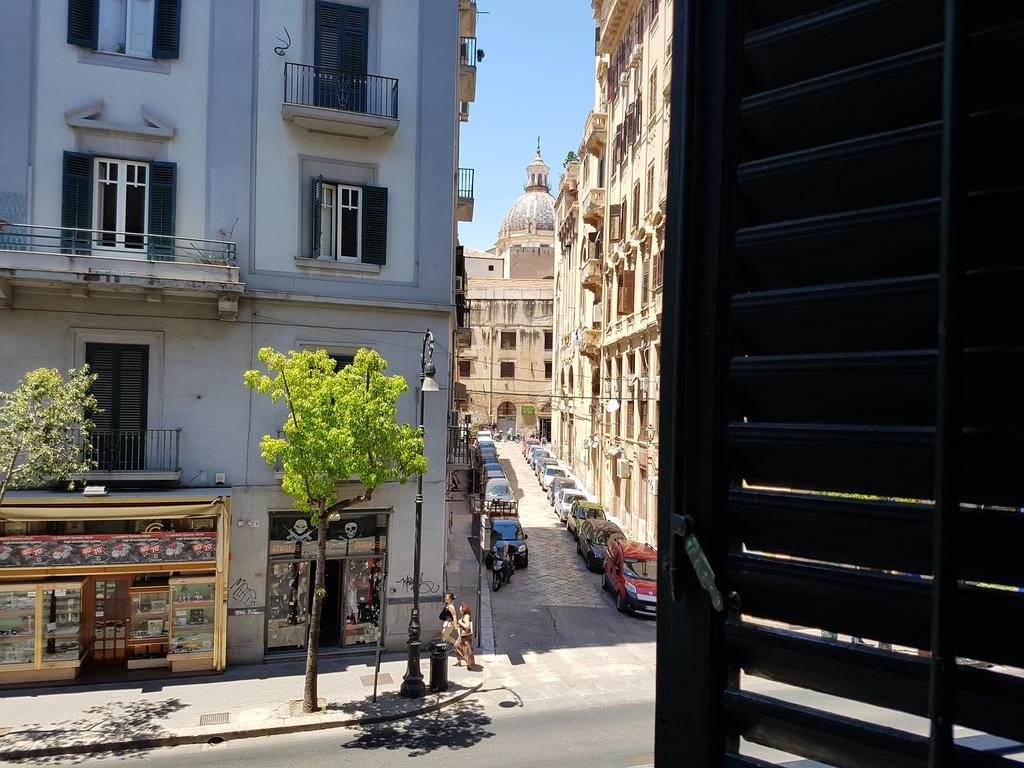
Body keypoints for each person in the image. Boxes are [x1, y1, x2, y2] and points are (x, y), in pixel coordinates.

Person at [454, 602, 475, 669]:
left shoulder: (466, 616)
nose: (459, 608)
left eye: (461, 607)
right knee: (467, 649)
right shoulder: (465, 615)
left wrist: (460, 622)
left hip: (465, 636)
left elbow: (467, 626)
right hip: (465, 635)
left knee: (457, 646)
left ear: (463, 609)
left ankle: (468, 663)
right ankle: (467, 662)